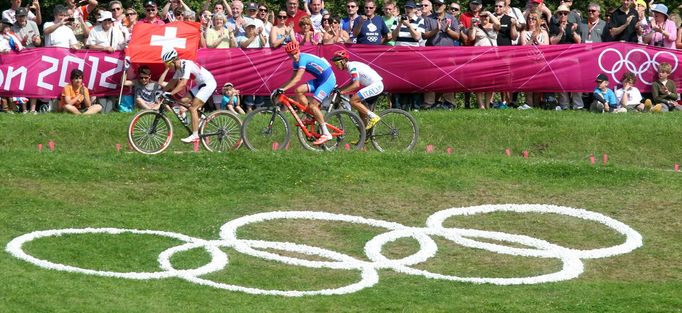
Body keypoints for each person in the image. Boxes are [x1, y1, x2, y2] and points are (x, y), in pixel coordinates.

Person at [273, 41, 336, 145]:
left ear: (299, 50)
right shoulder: (295, 62)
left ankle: (326, 134)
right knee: (298, 90)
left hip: (328, 80)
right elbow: (292, 78)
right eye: (291, 54)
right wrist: (280, 88)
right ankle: (310, 115)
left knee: (313, 105)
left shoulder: (302, 58)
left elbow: (298, 78)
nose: (294, 56)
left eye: (295, 52)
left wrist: (283, 90)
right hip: (320, 79)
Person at [162, 48, 218, 143]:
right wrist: (161, 91)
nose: (167, 67)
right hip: (201, 84)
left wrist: (171, 93)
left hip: (208, 83)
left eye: (167, 64)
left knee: (193, 108)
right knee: (182, 102)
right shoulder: (179, 68)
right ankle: (202, 119)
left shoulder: (186, 64)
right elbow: (172, 82)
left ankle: (195, 135)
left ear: (174, 61)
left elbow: (183, 83)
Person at [330, 50, 382, 130]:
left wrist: (342, 92)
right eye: (335, 64)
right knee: (361, 110)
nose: (336, 66)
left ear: (344, 61)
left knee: (353, 101)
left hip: (376, 85)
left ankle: (373, 117)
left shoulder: (351, 66)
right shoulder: (350, 66)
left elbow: (356, 85)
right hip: (374, 85)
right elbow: (352, 82)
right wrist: (339, 89)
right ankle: (365, 135)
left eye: (337, 63)